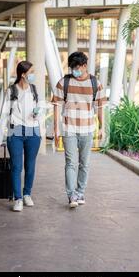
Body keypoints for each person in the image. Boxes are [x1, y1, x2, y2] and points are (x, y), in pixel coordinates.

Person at [52, 52, 107, 208]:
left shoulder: (96, 83)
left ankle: (80, 192)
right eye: (72, 68)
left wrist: (103, 127)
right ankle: (71, 196)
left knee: (84, 163)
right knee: (70, 163)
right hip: (69, 128)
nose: (74, 71)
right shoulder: (64, 83)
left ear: (84, 66)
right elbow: (56, 105)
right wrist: (56, 129)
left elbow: (100, 107)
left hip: (88, 129)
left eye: (77, 68)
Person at [0, 61, 44, 212]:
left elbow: (41, 108)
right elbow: (4, 114)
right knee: (16, 166)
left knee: (30, 166)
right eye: (31, 72)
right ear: (23, 74)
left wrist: (38, 113)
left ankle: (27, 194)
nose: (33, 75)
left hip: (33, 132)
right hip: (15, 131)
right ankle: (18, 198)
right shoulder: (11, 91)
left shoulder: (34, 90)